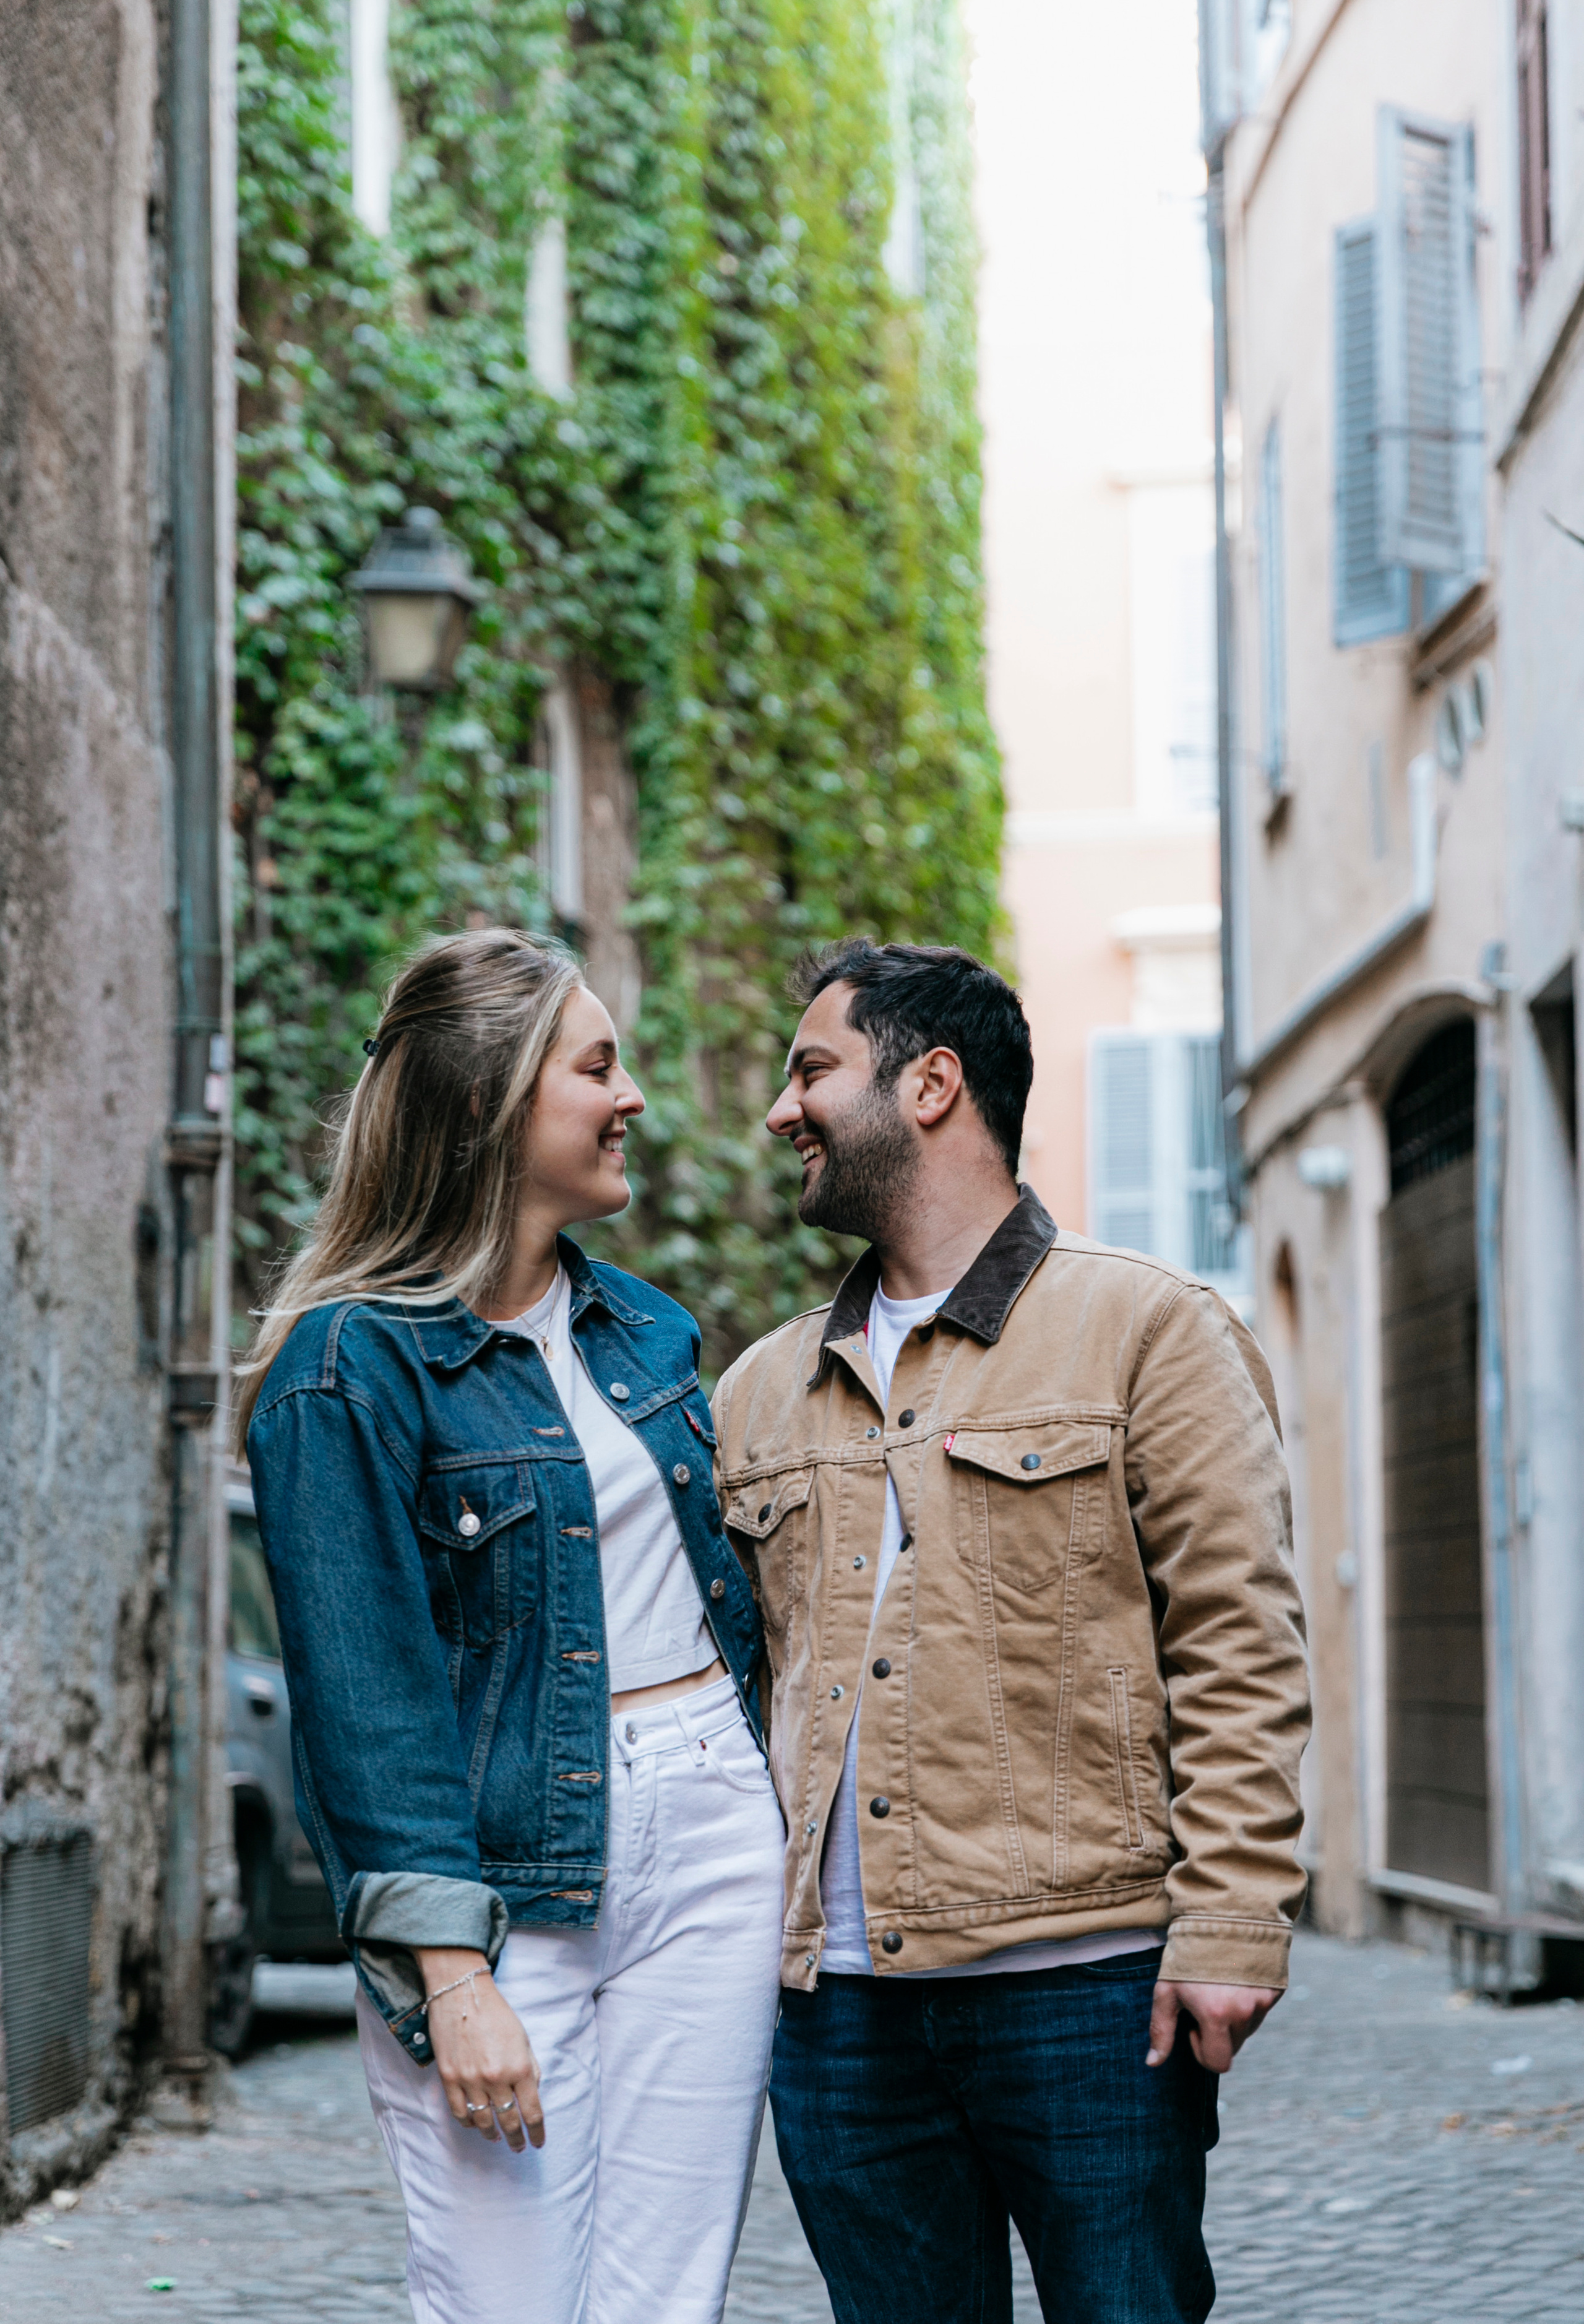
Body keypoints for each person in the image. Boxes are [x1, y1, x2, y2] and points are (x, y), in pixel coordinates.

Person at [711, 938, 1310, 2324]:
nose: (779, 1111)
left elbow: (1234, 1638)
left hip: (1085, 1992)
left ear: (930, 1085)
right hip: (839, 2013)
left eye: (811, 1070)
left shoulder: (1145, 1331)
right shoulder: (759, 1389)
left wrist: (1230, 1919)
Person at [238, 929, 785, 2324]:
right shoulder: (347, 1366)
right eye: (596, 1066)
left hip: (710, 1825)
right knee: (508, 2298)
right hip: (500, 1879)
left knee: (666, 2301)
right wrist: (449, 1972)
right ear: (486, 1102)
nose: (633, 1097)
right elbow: (367, 1696)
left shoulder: (644, 1331)